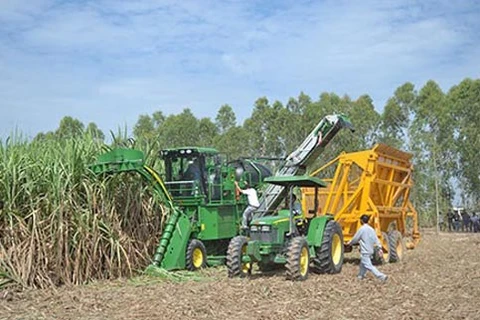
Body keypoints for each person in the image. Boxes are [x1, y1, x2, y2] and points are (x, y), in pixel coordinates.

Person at [346, 214, 388, 282]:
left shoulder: (362, 229)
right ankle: (360, 276)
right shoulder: (371, 229)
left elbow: (356, 238)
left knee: (369, 266)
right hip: (370, 250)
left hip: (365, 251)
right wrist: (380, 248)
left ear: (361, 221)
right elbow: (376, 240)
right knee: (363, 264)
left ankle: (381, 276)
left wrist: (349, 243)